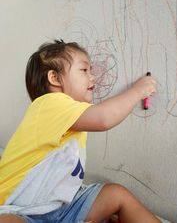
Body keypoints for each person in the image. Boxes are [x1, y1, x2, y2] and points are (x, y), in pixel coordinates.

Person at [0, 40, 160, 223]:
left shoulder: (73, 118)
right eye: (84, 70)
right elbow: (104, 118)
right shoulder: (48, 104)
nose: (93, 77)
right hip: (20, 210)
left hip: (63, 208)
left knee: (116, 195)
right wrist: (138, 91)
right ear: (54, 78)